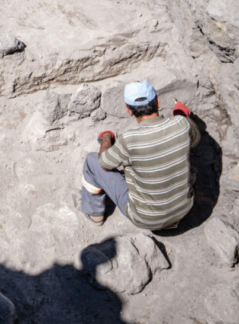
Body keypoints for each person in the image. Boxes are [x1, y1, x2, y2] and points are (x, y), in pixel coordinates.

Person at [80, 80, 200, 230]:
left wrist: (106, 137)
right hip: (184, 209)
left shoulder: (129, 139)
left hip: (146, 219)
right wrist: (183, 115)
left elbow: (104, 163)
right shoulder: (182, 125)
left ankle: (94, 213)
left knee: (92, 161)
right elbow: (195, 138)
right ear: (158, 101)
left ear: (128, 110)